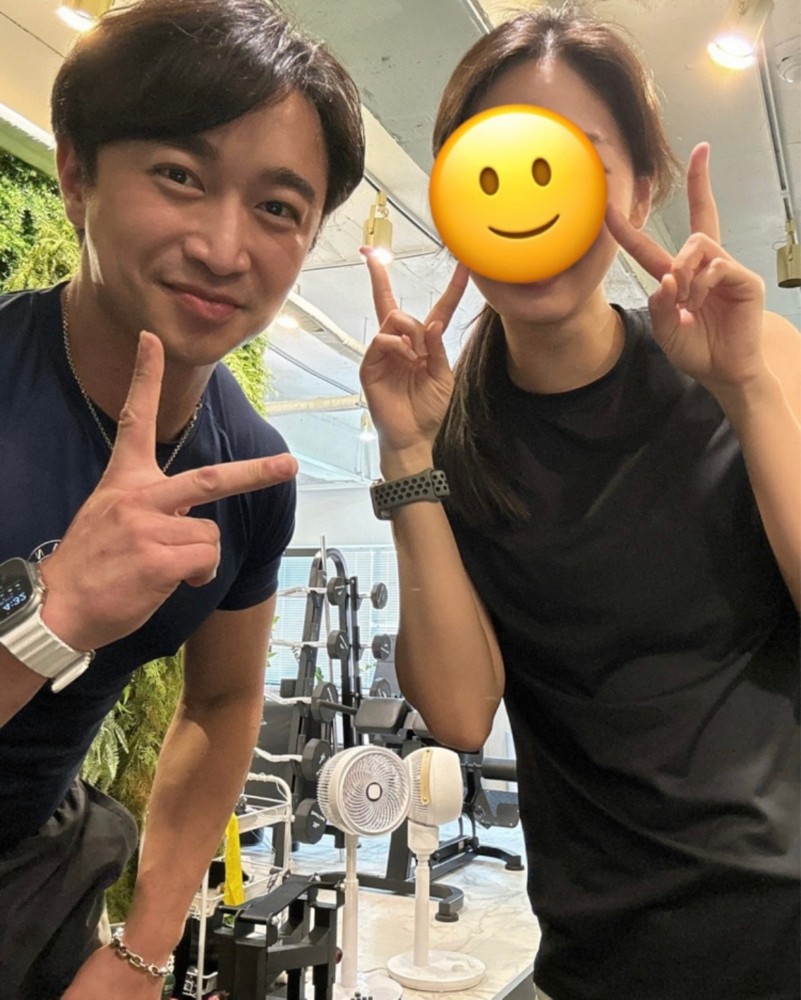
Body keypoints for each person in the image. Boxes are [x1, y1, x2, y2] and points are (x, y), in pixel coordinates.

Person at [359, 6, 800, 1000]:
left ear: (641, 189)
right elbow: (459, 712)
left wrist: (744, 388)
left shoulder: (757, 359)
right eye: (497, 168)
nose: (534, 201)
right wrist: (406, 450)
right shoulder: (454, 436)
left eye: (574, 167)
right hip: (597, 963)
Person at [0, 0, 364, 996]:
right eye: (179, 176)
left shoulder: (248, 473)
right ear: (77, 175)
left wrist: (142, 952)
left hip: (34, 875)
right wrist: (51, 618)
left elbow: (224, 698)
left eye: (278, 208)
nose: (223, 247)